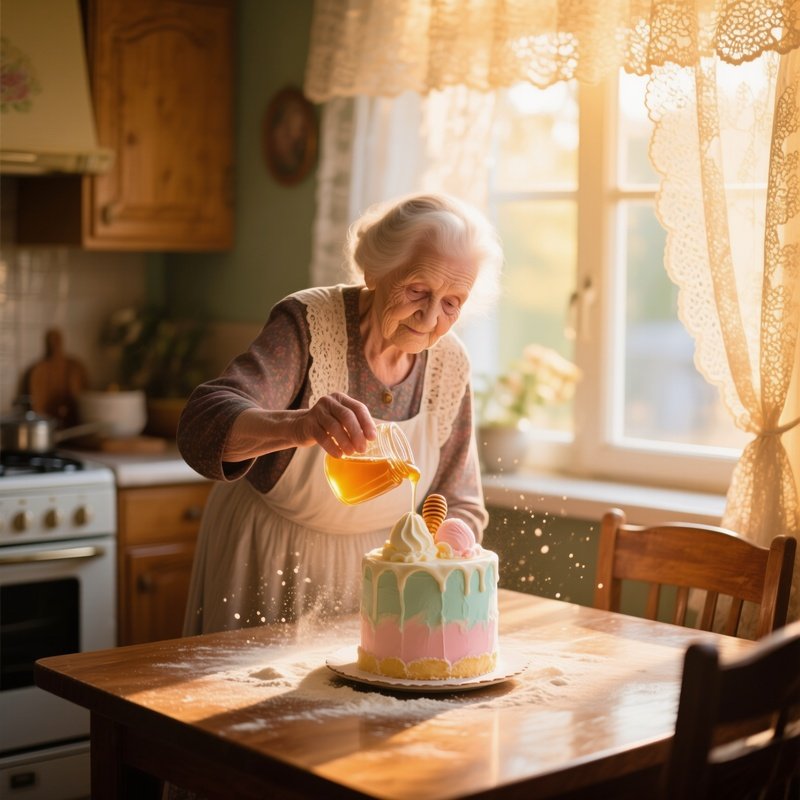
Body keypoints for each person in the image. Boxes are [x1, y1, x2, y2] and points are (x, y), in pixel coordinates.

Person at [177, 192, 504, 636]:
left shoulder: (449, 363)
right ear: (374, 272)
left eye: (452, 302)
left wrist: (448, 551)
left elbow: (458, 498)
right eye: (417, 290)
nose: (430, 317)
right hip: (270, 558)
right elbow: (202, 423)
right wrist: (300, 424)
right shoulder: (307, 323)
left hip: (381, 581)